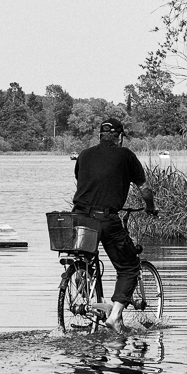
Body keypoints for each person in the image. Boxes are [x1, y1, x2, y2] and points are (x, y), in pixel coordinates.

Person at [72, 117, 156, 331]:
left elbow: (81, 179)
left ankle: (84, 288)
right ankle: (115, 316)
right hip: (106, 218)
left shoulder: (84, 155)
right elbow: (145, 189)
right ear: (119, 138)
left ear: (100, 136)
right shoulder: (126, 156)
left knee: (85, 257)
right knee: (129, 267)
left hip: (79, 217)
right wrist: (150, 207)